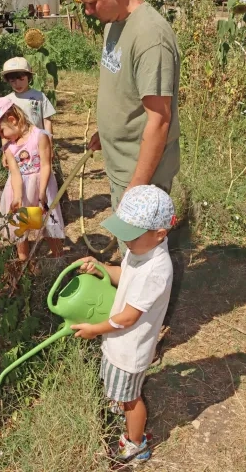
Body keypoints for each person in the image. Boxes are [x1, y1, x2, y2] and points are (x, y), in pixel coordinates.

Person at [71, 185, 175, 465]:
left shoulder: (156, 270)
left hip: (130, 349)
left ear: (159, 234)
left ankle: (136, 443)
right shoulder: (141, 250)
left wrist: (94, 329)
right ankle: (119, 402)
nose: (125, 240)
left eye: (131, 234)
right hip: (119, 342)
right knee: (121, 392)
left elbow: (129, 318)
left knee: (132, 399)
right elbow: (123, 273)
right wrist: (101, 267)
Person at [75, 0, 180, 221]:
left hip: (140, 173)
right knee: (130, 255)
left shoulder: (150, 36)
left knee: (141, 258)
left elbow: (159, 119)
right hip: (120, 162)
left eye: (91, 3)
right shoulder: (114, 22)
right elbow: (123, 85)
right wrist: (108, 132)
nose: (87, 11)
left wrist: (136, 189)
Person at [0, 96, 64, 261]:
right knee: (21, 224)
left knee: (47, 221)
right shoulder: (9, 147)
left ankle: (58, 259)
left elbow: (45, 165)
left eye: (2, 131)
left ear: (13, 120)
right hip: (21, 187)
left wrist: (42, 191)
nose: (2, 136)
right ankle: (23, 261)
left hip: (41, 183)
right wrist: (18, 196)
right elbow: (15, 173)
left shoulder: (40, 136)